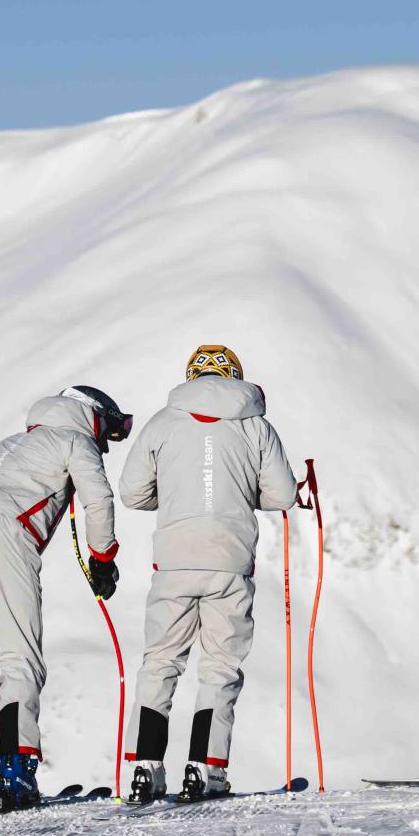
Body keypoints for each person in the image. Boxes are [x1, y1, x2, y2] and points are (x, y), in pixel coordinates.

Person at [118, 344, 303, 804]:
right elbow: (283, 495)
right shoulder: (256, 425)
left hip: (174, 559)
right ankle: (205, 768)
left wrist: (177, 497)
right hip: (229, 559)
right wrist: (238, 494)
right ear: (236, 378)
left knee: (160, 661)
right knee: (220, 665)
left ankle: (145, 767)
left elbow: (132, 494)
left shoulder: (163, 422)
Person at [0, 385, 128, 810]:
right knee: (20, 658)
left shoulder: (8, 445)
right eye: (108, 431)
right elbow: (98, 499)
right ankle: (16, 774)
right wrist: (102, 559)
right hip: (6, 534)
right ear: (92, 416)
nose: (105, 442)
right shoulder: (74, 441)